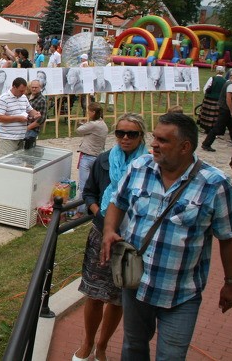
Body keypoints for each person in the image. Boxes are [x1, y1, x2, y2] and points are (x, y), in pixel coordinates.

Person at [100, 112, 232, 360]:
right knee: (133, 347)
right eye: (155, 137)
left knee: (171, 356)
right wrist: (109, 230)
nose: (153, 144)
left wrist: (231, 283)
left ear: (185, 147)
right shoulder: (139, 167)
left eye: (163, 140)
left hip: (181, 293)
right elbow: (117, 202)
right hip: (136, 285)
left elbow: (228, 238)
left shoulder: (214, 184)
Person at [73, 113, 148, 361]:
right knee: (94, 294)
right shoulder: (104, 160)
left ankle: (102, 345)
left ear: (141, 136)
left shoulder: (149, 165)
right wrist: (101, 215)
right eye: (120, 133)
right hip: (101, 232)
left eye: (132, 134)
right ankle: (87, 342)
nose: (125, 138)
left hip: (132, 239)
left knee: (118, 298)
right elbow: (89, 193)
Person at [75, 103, 109, 212]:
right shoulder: (103, 124)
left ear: (93, 112)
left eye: (89, 111)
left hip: (88, 157)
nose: (88, 113)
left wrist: (83, 123)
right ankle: (90, 207)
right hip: (97, 156)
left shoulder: (93, 125)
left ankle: (81, 211)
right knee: (93, 185)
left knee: (83, 186)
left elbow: (79, 130)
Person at [202, 68, 232, 152]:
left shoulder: (228, 83)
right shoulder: (231, 85)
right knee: (218, 128)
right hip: (226, 110)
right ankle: (206, 144)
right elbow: (228, 99)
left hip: (225, 109)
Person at [0, 77, 39, 156]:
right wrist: (18, 118)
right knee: (5, 161)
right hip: (7, 139)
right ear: (14, 87)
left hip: (21, 137)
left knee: (19, 162)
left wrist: (36, 114)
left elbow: (30, 110)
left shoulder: (23, 97)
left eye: (24, 90)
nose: (23, 92)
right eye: (21, 91)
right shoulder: (3, 99)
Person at [24, 79, 47, 150]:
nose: (34, 89)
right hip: (23, 126)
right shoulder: (27, 97)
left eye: (36, 87)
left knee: (29, 150)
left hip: (32, 130)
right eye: (32, 87)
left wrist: (28, 128)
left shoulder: (42, 100)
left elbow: (41, 119)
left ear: (40, 88)